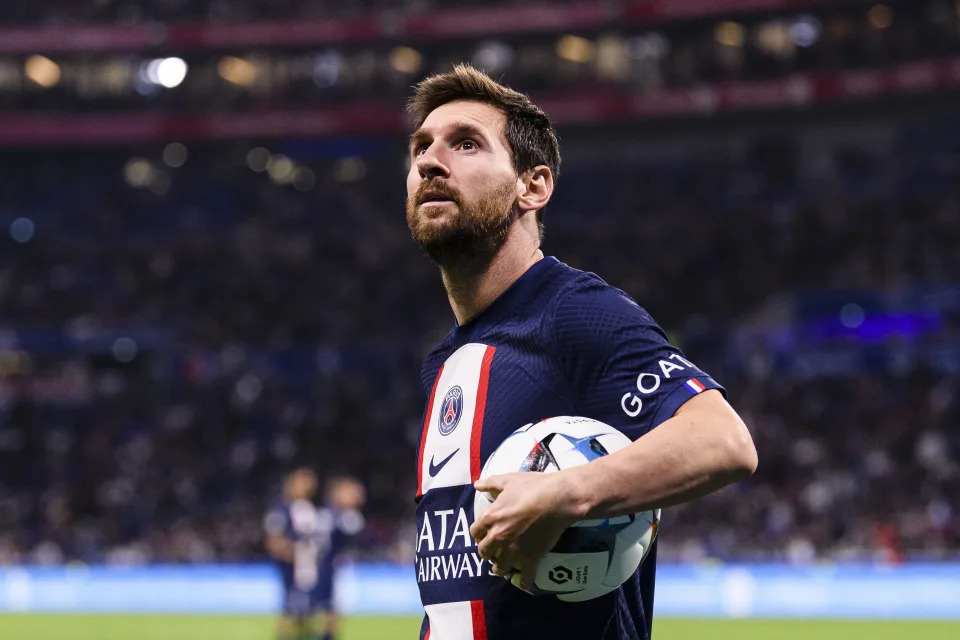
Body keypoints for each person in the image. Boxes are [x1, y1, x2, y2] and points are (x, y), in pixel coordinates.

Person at [407, 64, 758, 640]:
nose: (429, 161)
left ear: (533, 185)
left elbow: (723, 441)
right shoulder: (443, 362)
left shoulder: (574, 311)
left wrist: (565, 492)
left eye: (465, 143)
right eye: (421, 147)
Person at [264, 470, 365, 640]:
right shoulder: (286, 509)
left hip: (318, 567)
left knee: (322, 608)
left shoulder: (318, 511)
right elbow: (276, 539)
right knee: (295, 609)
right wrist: (291, 553)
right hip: (300, 568)